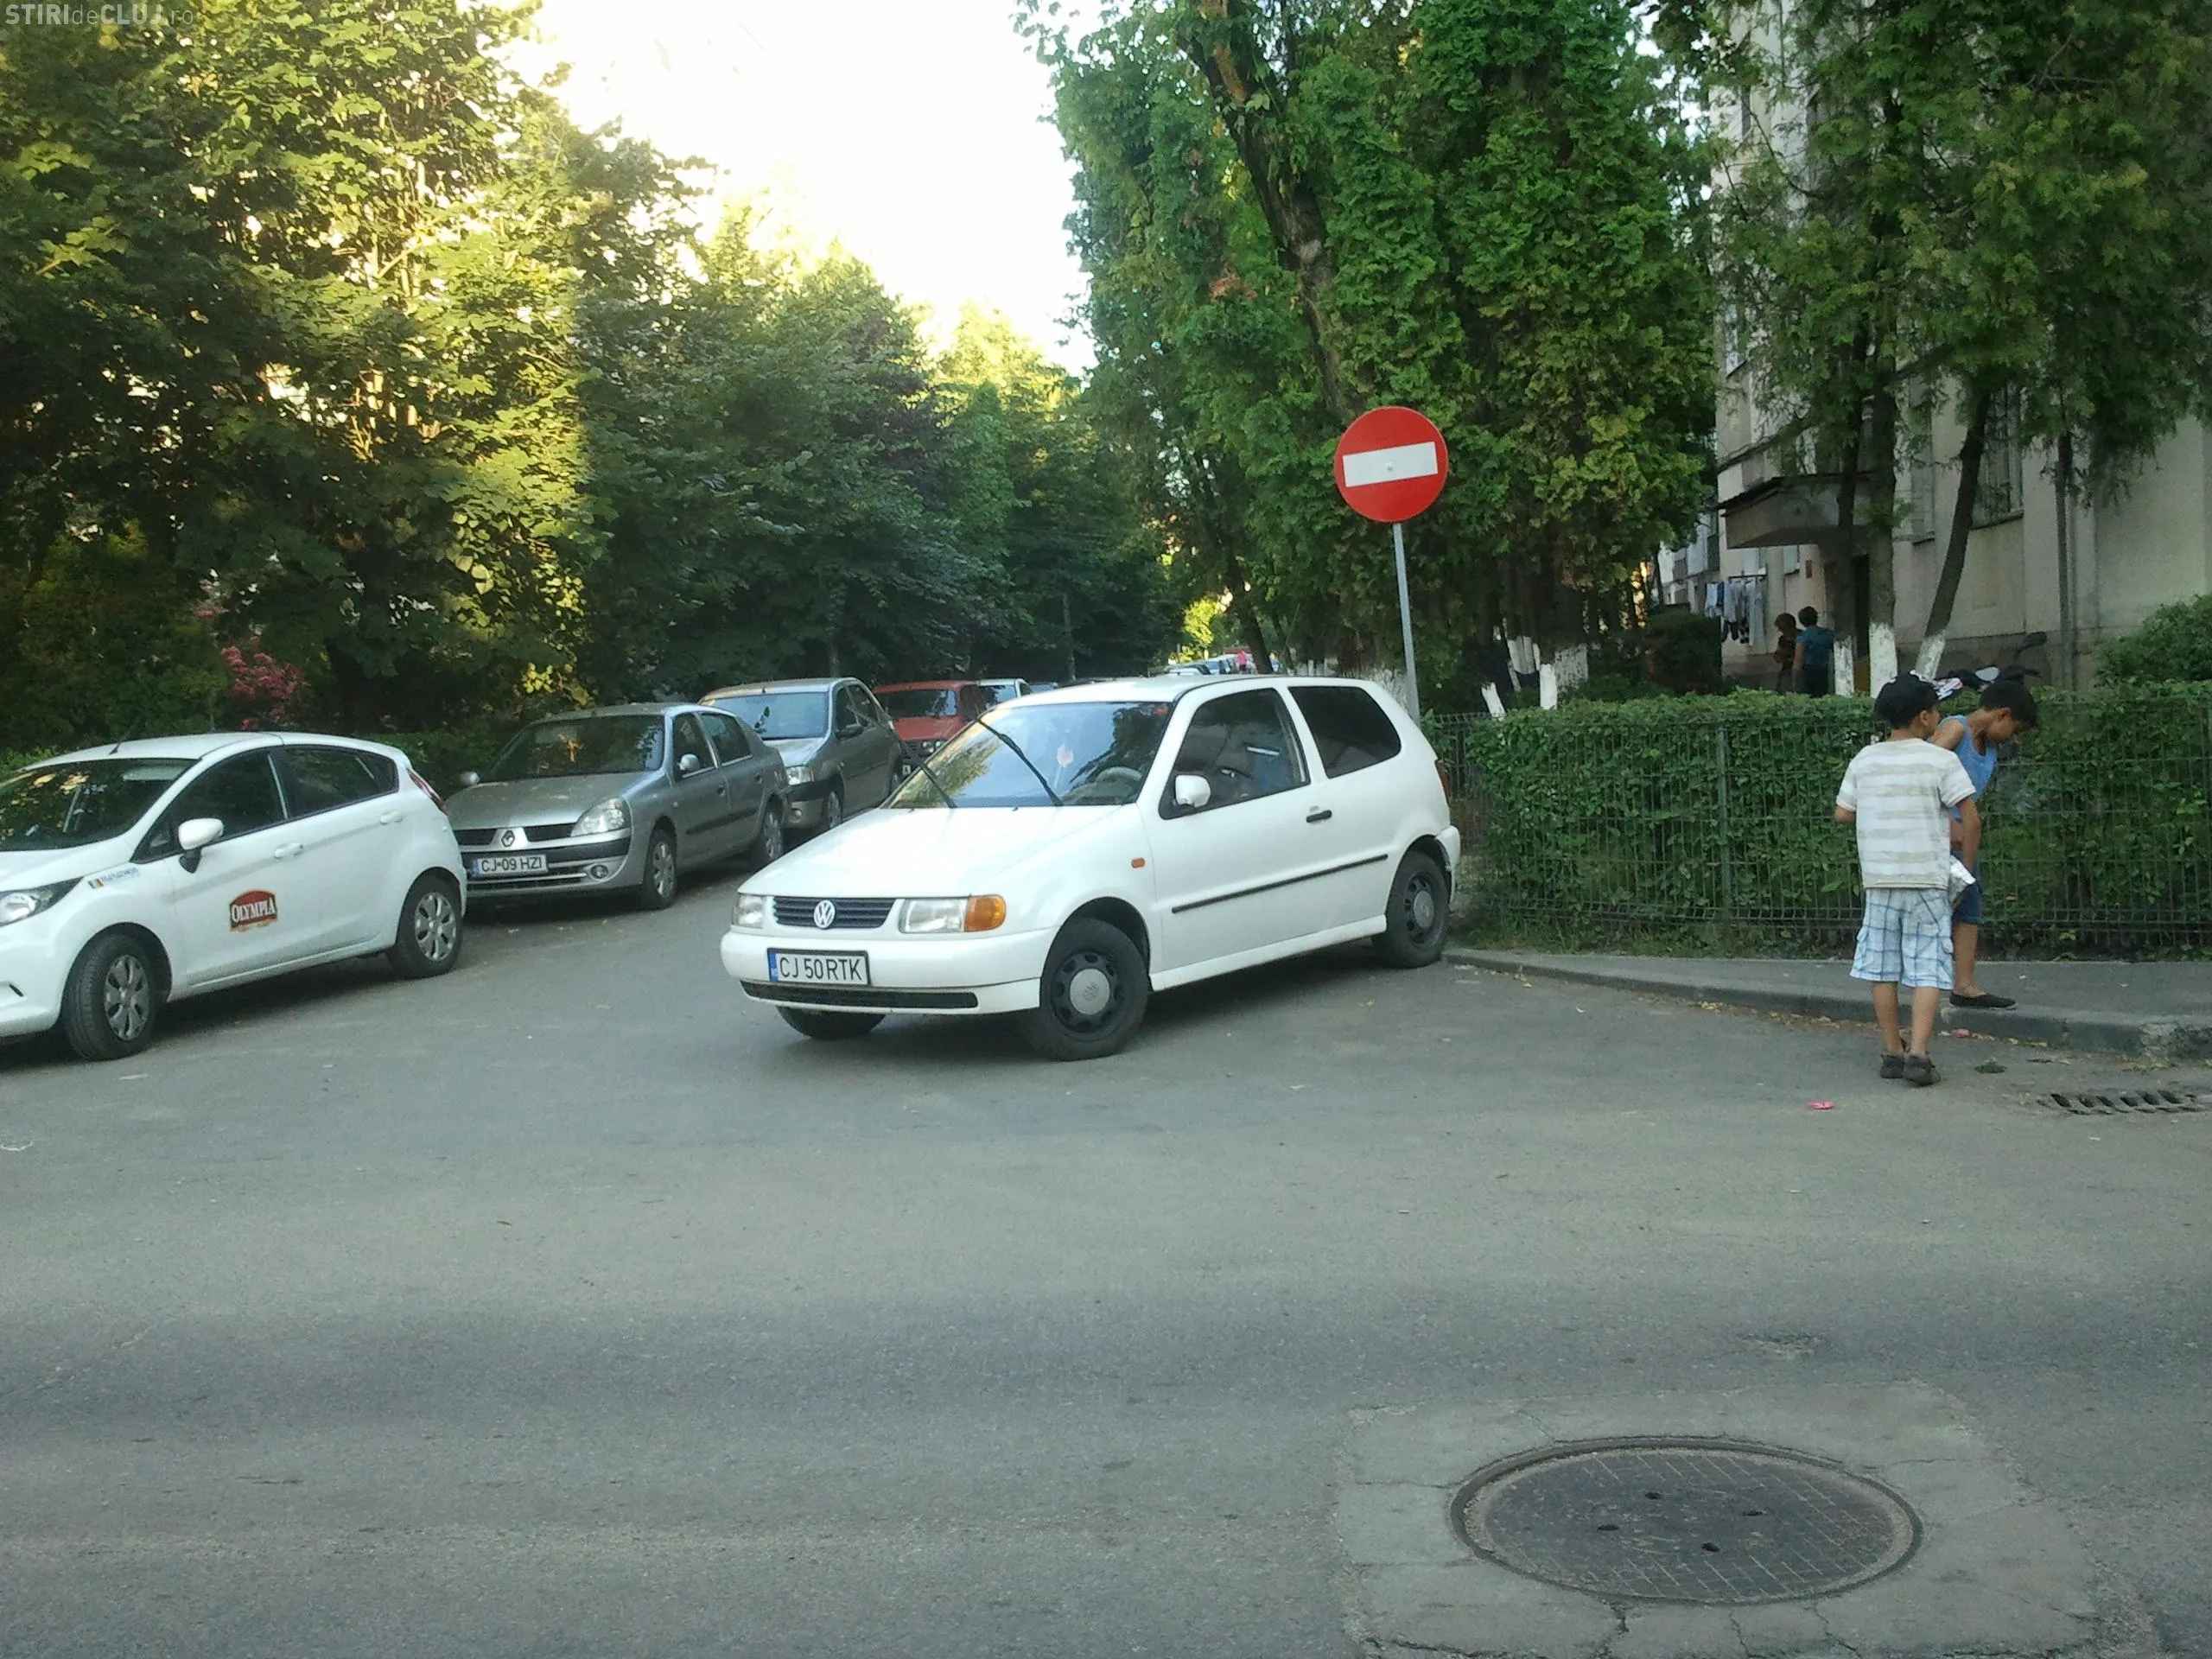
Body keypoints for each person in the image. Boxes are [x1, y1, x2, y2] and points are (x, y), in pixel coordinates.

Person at [1834, 674, 1980, 1086]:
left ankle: (1891, 1052)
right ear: (1924, 717)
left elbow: (1843, 812)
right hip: (1927, 880)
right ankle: (1919, 1053)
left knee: (1882, 967)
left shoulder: (1865, 759)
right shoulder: (1940, 761)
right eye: (1936, 710)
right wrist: (1965, 870)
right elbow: (1971, 819)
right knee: (1928, 966)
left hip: (1880, 879)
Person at [1932, 677, 2039, 1008]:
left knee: (1969, 904)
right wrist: (1946, 820)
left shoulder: (1989, 747)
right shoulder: (1956, 731)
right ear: (2002, 714)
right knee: (1934, 909)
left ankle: (1964, 985)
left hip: (1964, 838)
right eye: (2015, 729)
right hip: (1937, 832)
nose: (2014, 739)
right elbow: (1921, 774)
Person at [1794, 606, 1835, 696]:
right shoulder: (1827, 633)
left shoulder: (1803, 637)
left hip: (1810, 671)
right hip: (1827, 669)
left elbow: (1799, 659)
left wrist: (1796, 678)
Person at [1773, 612, 1800, 692]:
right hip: (1786, 669)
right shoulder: (1782, 639)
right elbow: (1778, 654)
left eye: (1782, 628)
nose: (1780, 631)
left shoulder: (1801, 637)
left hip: (1799, 669)